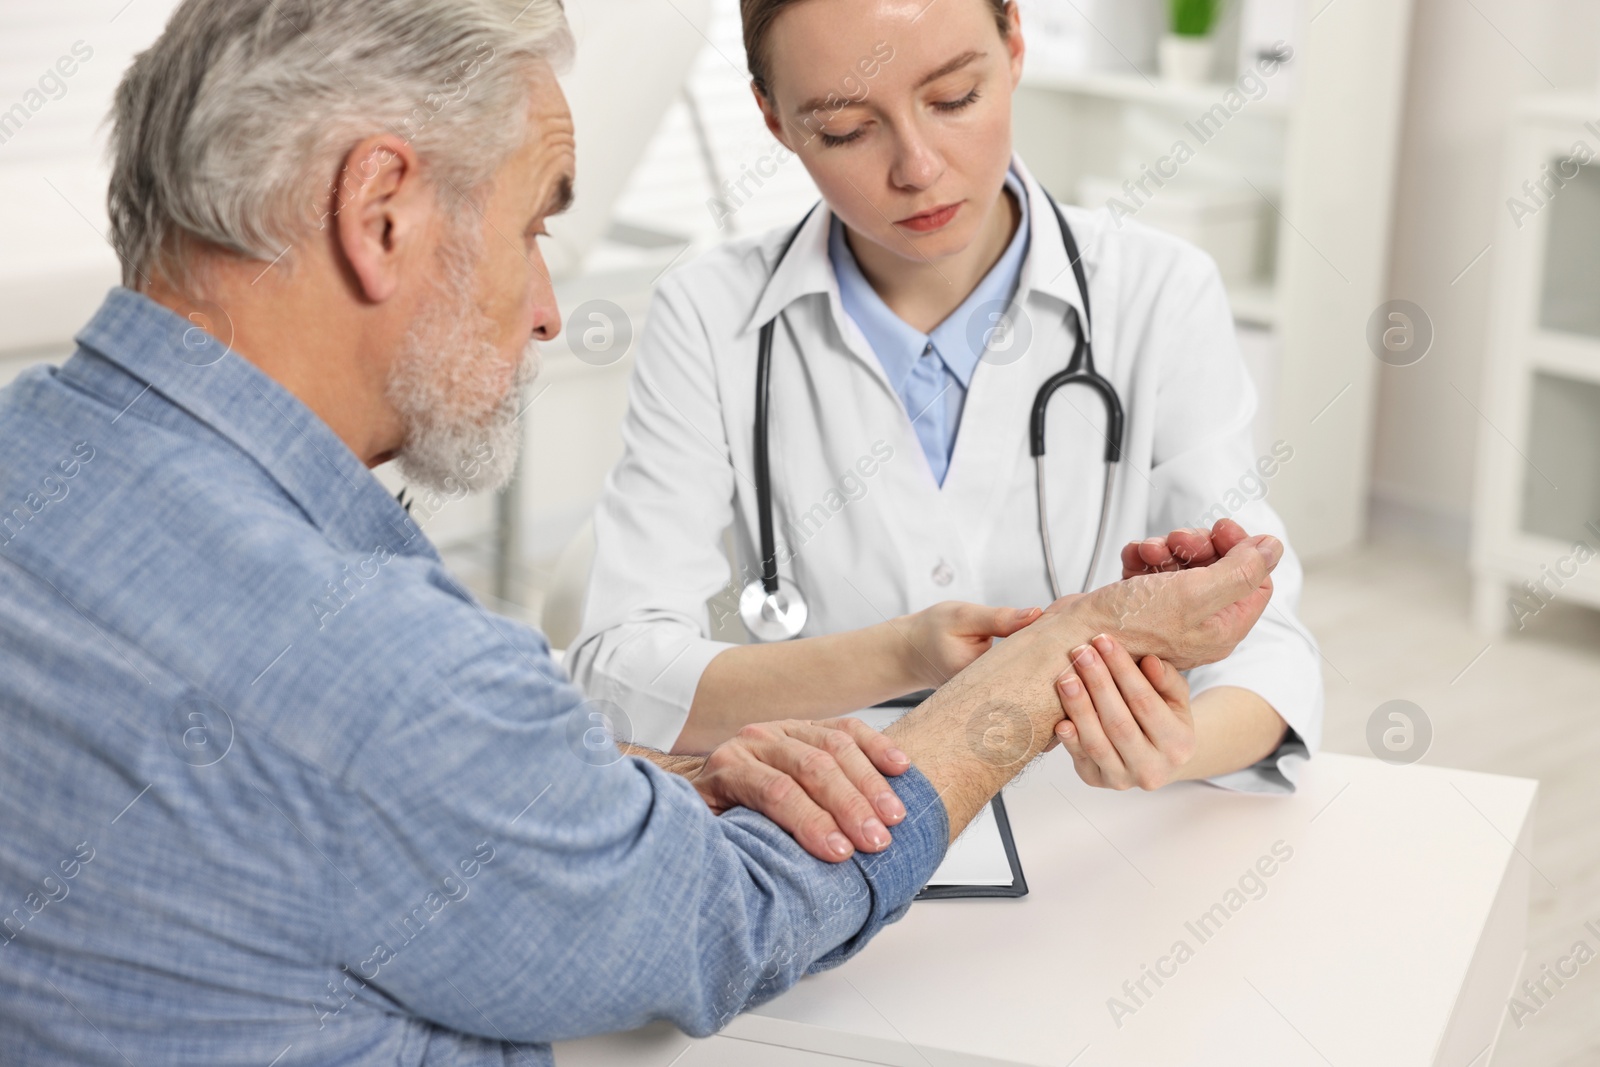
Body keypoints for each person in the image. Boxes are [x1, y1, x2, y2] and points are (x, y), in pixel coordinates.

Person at [0, 0, 1285, 1063]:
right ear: (380, 210)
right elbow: (730, 920)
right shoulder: (384, 668)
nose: (551, 309)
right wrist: (1041, 663)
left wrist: (636, 788)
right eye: (535, 222)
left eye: (950, 98)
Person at [569, 0, 1322, 793]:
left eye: (955, 98)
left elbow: (1268, 643)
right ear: (774, 118)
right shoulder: (709, 312)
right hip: (832, 826)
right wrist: (906, 652)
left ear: (1015, 43)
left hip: (1078, 824)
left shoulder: (1159, 292)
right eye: (846, 129)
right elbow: (618, 674)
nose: (918, 168)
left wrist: (1173, 744)